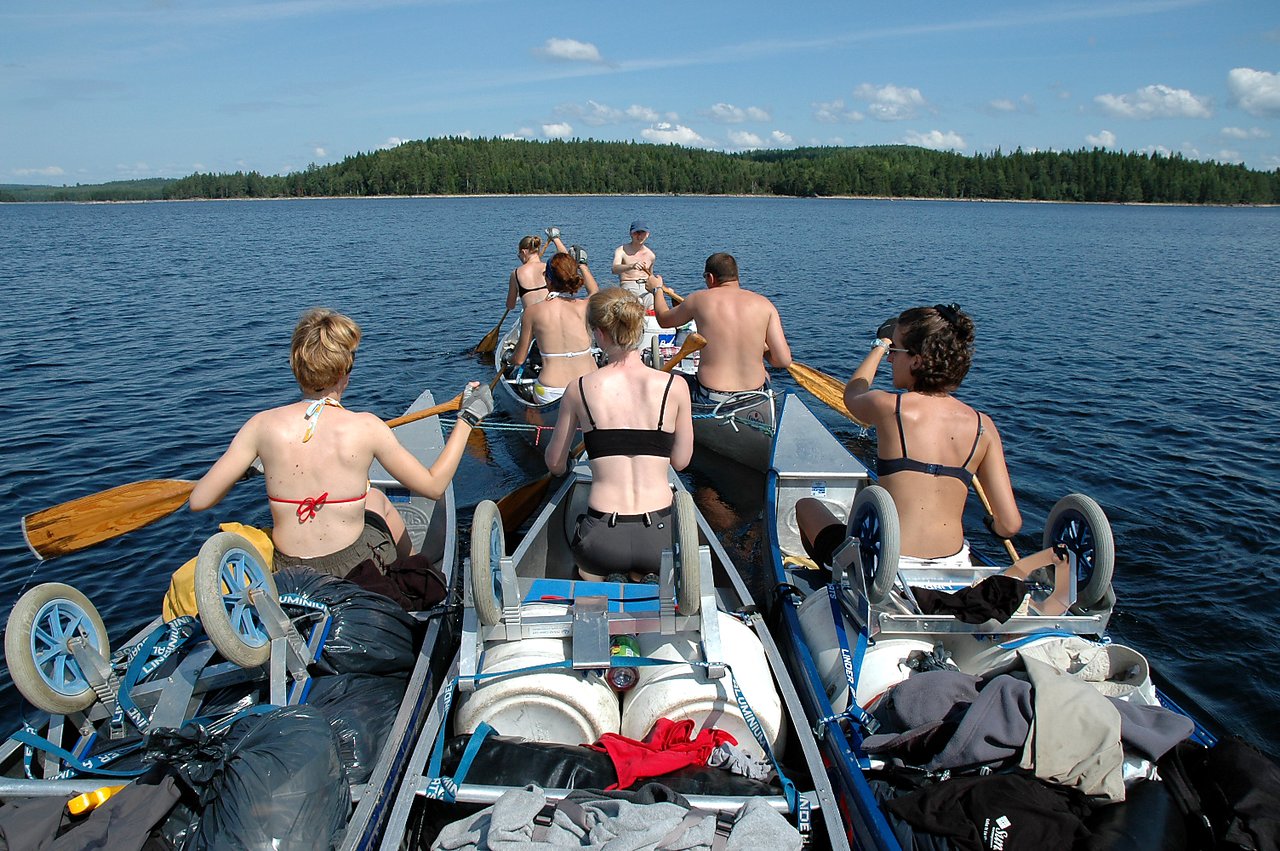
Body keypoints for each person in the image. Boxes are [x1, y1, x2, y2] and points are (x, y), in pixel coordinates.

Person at [189, 307, 494, 610]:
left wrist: (245, 468)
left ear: (297, 367)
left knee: (373, 497)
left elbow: (199, 500)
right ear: (343, 373)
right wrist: (467, 418)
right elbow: (433, 485)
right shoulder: (365, 427)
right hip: (354, 568)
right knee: (378, 502)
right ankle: (414, 569)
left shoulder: (260, 426)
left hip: (289, 570)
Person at [795, 304, 1072, 612]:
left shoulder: (890, 407)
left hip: (888, 568)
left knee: (806, 507)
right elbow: (1010, 524)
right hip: (953, 565)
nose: (890, 358)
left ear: (917, 360)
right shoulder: (983, 426)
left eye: (895, 351)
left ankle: (837, 585)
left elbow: (852, 395)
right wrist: (993, 524)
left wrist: (878, 345)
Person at [544, 287, 694, 582]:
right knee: (648, 567)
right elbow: (681, 461)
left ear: (599, 333)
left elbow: (555, 465)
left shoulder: (580, 388)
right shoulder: (674, 387)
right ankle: (643, 579)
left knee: (590, 567)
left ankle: (612, 585)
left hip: (601, 539)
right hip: (659, 536)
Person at [646, 252, 791, 403]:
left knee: (673, 379)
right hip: (754, 397)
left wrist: (657, 290)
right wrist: (764, 349)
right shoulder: (765, 304)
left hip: (711, 397)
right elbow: (783, 361)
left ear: (710, 277)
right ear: (736, 276)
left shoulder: (698, 299)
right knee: (766, 375)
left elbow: (664, 319)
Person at [510, 252, 601, 403]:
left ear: (548, 279)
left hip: (551, 390)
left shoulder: (532, 312)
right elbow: (594, 292)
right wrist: (583, 265)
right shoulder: (585, 306)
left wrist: (510, 359)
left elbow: (519, 359)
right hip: (588, 385)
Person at [611, 221, 656, 307]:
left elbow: (651, 277)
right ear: (631, 234)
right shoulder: (621, 250)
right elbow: (614, 269)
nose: (639, 236)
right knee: (637, 304)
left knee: (652, 304)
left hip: (646, 288)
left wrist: (659, 288)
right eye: (636, 233)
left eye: (642, 233)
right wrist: (631, 266)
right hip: (628, 285)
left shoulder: (651, 255)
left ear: (647, 234)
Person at [505, 235, 550, 311]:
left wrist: (519, 292)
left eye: (519, 255)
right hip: (551, 317)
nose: (520, 258)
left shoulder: (515, 274)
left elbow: (510, 305)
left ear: (524, 252)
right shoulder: (548, 268)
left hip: (532, 320)